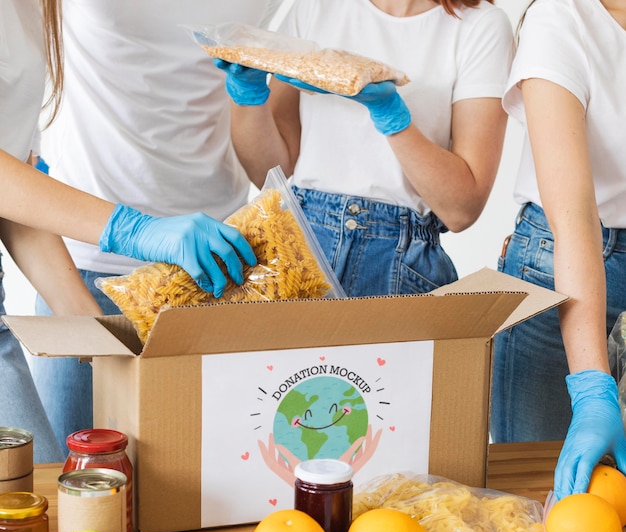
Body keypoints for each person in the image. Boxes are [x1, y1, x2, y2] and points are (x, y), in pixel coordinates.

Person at [1, 0, 256, 461]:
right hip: (89, 263)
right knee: (33, 499)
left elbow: (15, 179)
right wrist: (131, 229)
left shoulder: (35, 13)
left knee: (52, 496)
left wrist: (80, 314)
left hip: (13, 296)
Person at [215, 0, 514, 299]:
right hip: (299, 246)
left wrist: (392, 117)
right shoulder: (315, 8)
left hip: (399, 261)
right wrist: (248, 96)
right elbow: (269, 172)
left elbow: (461, 210)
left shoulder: (480, 26)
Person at [490, 0, 626, 499]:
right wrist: (592, 389)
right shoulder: (561, 19)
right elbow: (573, 219)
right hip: (560, 269)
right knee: (537, 497)